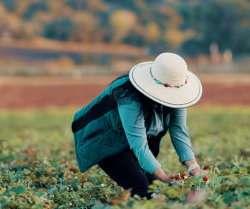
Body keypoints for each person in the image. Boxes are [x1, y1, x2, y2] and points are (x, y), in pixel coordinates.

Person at [72, 52, 209, 198]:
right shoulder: (129, 97)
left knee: (154, 188)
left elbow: (179, 131)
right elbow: (139, 144)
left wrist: (194, 168)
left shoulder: (178, 94)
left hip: (131, 138)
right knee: (139, 185)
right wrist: (162, 175)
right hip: (104, 139)